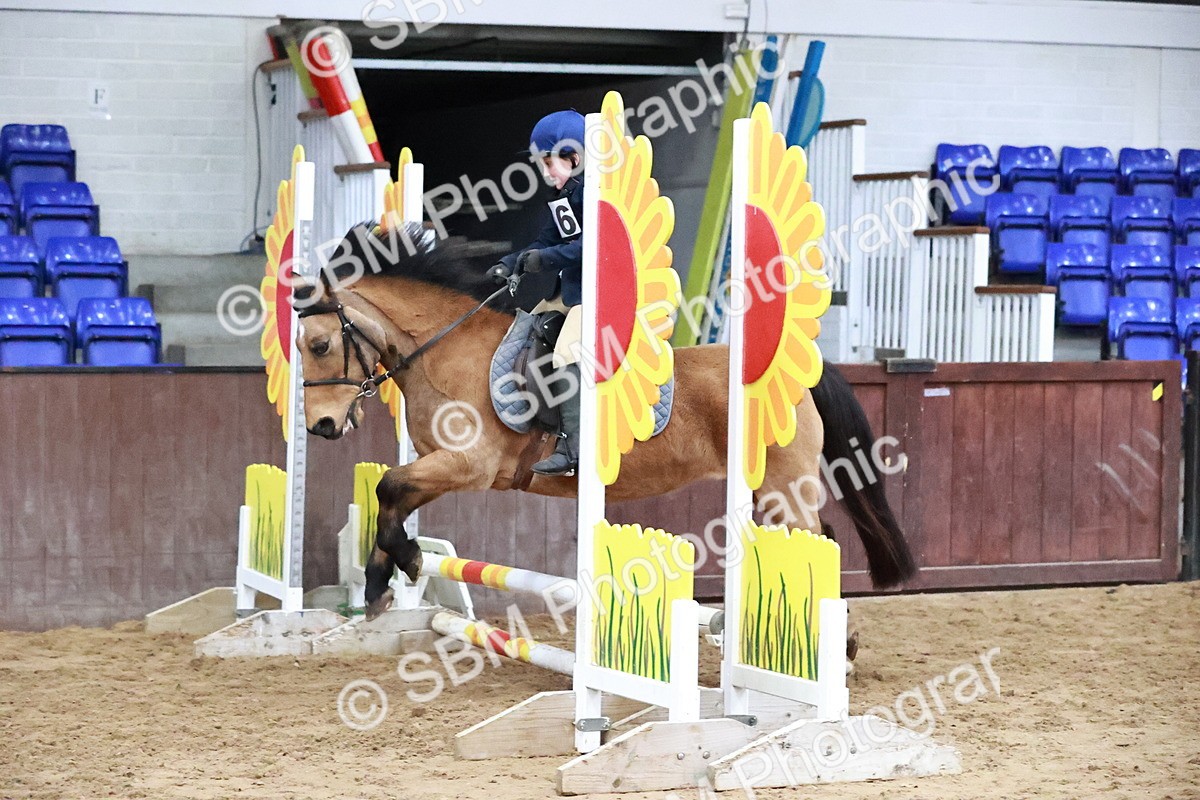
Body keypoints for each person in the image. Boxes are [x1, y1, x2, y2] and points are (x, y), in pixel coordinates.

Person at [489, 110, 585, 476]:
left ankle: (573, 448)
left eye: (550, 163)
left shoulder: (594, 192)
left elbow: (589, 246)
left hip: (600, 291)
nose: (545, 173)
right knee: (532, 328)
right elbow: (548, 240)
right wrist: (511, 261)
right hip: (572, 288)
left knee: (565, 355)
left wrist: (542, 259)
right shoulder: (564, 195)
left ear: (573, 158)